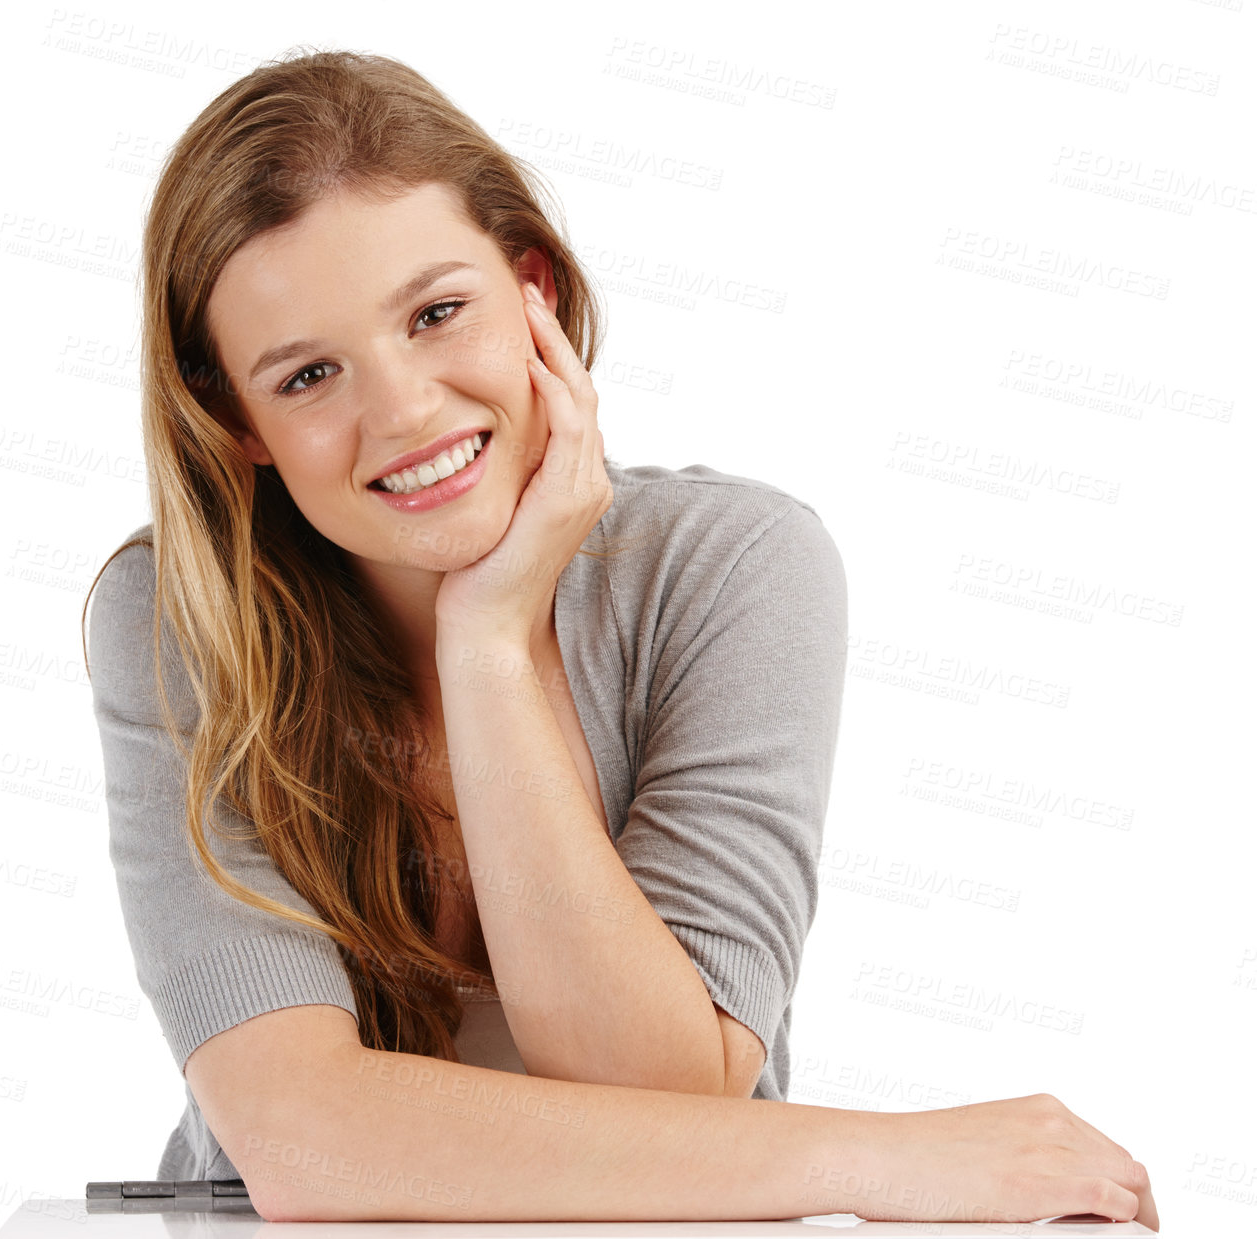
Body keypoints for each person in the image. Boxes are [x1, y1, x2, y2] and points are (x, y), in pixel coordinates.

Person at [79, 46, 1158, 1229]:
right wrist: (868, 1158)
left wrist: (488, 648)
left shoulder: (734, 568)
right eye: (307, 375)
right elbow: (301, 1145)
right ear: (235, 421)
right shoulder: (181, 614)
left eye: (437, 313)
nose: (401, 411)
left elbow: (661, 1088)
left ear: (532, 289)